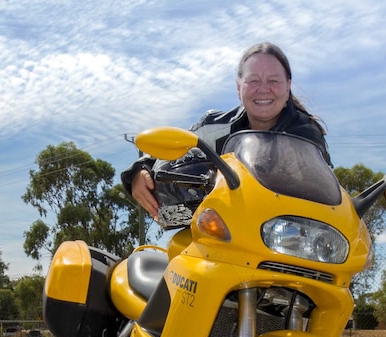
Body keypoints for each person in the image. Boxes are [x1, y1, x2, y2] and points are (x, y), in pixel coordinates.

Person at [122, 42, 331, 219]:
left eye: (274, 81)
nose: (263, 89)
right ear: (238, 87)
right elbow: (176, 147)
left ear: (288, 86)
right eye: (253, 81)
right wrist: (141, 171)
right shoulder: (215, 126)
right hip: (220, 236)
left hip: (289, 241)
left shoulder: (307, 136)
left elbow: (325, 197)